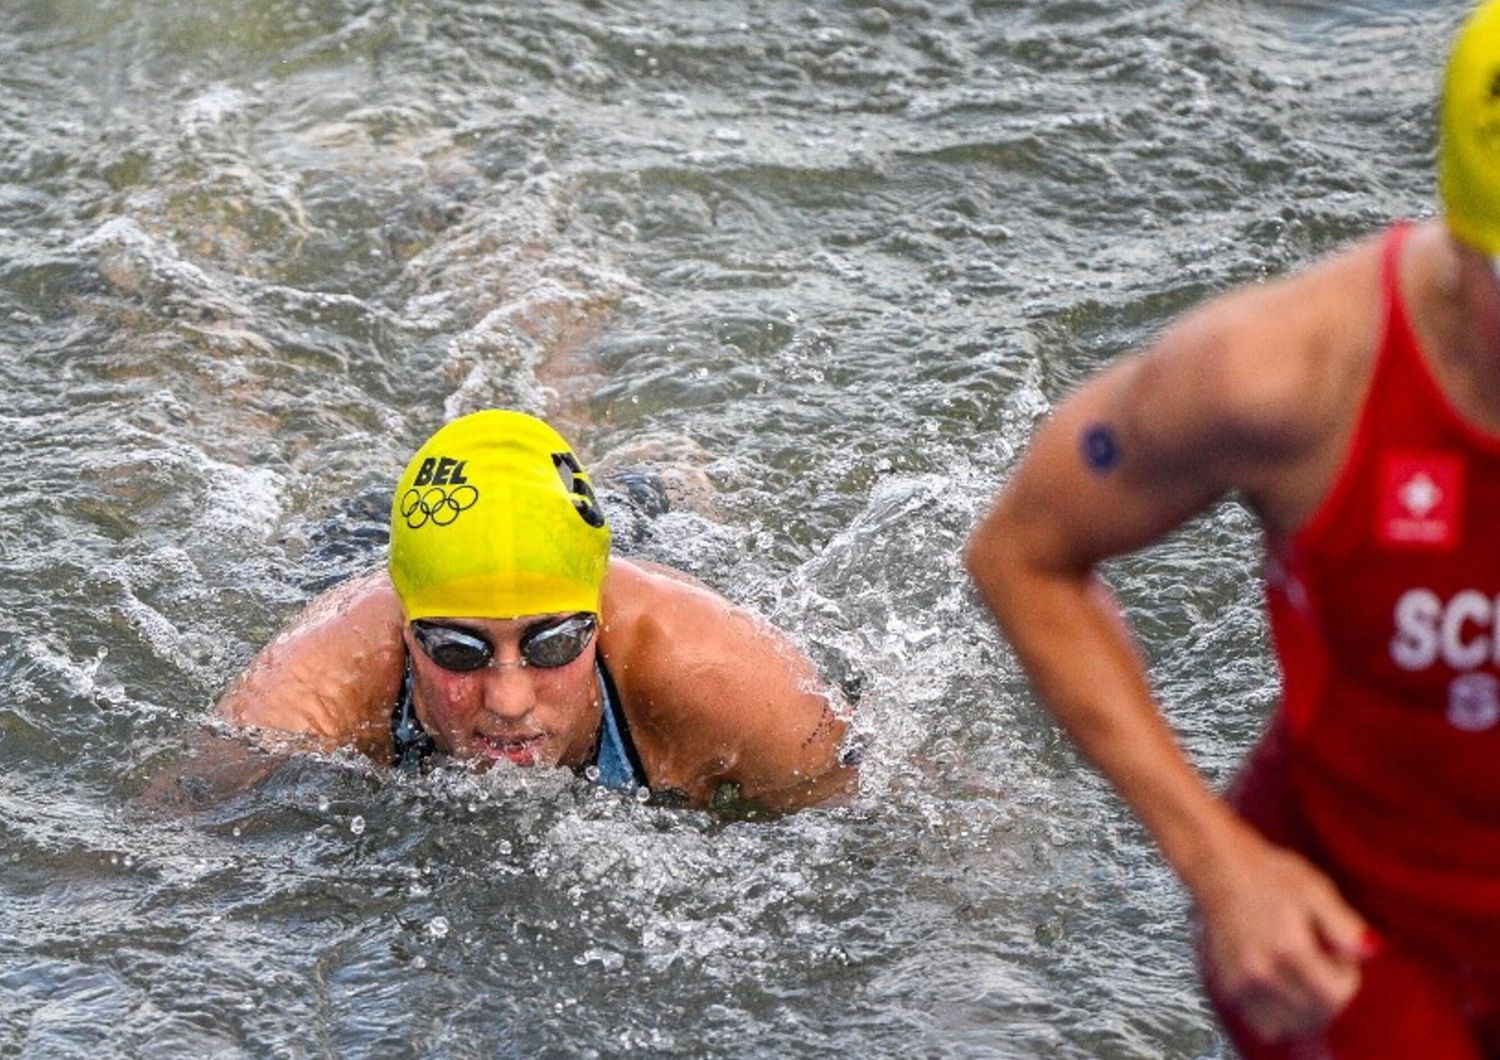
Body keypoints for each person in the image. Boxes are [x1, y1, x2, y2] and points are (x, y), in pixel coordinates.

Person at [965, 4, 1500, 1055]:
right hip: (1358, 929)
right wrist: (1218, 865)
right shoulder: (1282, 375)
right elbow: (1021, 553)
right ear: (1465, 239)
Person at [215, 409, 855, 812]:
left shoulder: (721, 673)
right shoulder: (313, 687)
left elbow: (873, 823)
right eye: (457, 651)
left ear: (597, 618)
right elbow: (177, 839)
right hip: (363, 544)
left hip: (620, 543)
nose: (509, 700)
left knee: (677, 486)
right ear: (405, 633)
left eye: (551, 643)